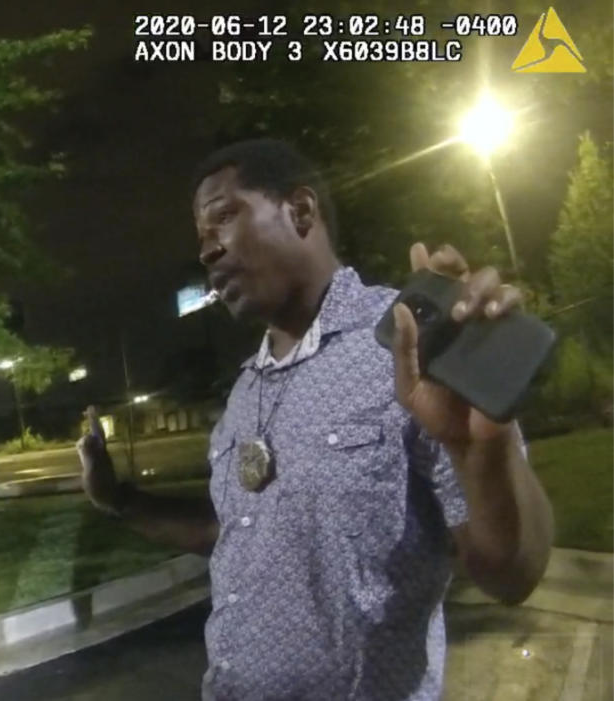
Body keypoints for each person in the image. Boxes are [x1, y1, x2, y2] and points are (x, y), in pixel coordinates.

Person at [77, 138, 555, 700]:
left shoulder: (410, 346)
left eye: (223, 218)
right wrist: (118, 499)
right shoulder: (243, 392)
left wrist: (482, 454)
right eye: (201, 235)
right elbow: (234, 534)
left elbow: (512, 572)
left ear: (300, 211)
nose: (207, 251)